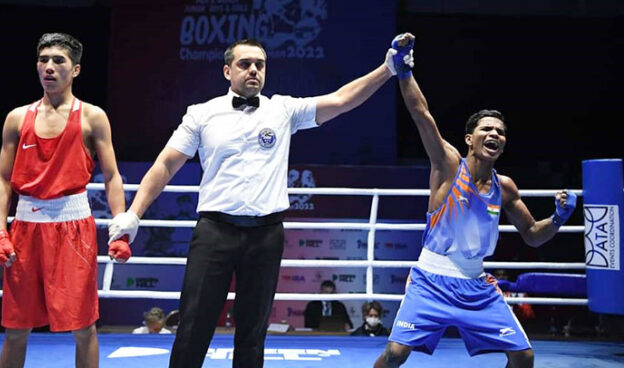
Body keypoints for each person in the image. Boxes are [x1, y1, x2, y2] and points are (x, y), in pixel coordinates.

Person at [107, 37, 401, 368]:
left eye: (260, 65)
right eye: (245, 64)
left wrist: (387, 69)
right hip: (215, 232)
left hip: (266, 235)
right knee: (193, 326)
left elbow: (341, 100)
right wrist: (133, 214)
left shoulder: (283, 110)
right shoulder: (202, 114)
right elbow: (165, 165)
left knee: (252, 332)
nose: (253, 71)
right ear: (227, 70)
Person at [373, 34, 577, 368]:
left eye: (501, 131)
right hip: (430, 280)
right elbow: (421, 114)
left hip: (476, 286)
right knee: (395, 354)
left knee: (523, 356)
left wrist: (557, 218)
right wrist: (404, 69)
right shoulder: (449, 165)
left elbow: (532, 234)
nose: (495, 134)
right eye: (487, 129)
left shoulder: (505, 187)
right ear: (470, 138)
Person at [0, 32, 126, 368]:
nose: (49, 67)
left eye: (58, 61)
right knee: (16, 327)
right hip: (24, 229)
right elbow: (3, 180)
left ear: (76, 69)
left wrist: (121, 226)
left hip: (73, 230)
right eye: (43, 60)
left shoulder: (93, 117)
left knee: (83, 327)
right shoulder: (17, 118)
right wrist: (0, 231)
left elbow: (111, 176)